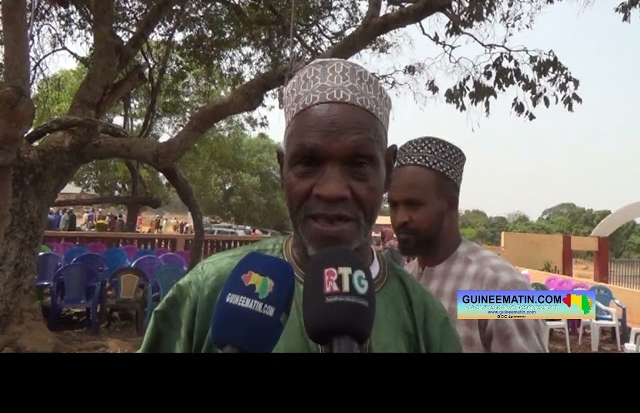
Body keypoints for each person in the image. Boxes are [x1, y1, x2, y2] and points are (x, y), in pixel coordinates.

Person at [138, 59, 463, 353]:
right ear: (283, 169)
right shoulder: (214, 288)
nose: (402, 218)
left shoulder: (486, 290)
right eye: (308, 162)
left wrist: (500, 306)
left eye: (359, 164)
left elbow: (511, 324)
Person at [388, 135, 547, 353]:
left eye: (414, 205)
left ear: (451, 205)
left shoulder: (497, 286)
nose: (400, 218)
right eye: (394, 205)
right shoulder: (404, 280)